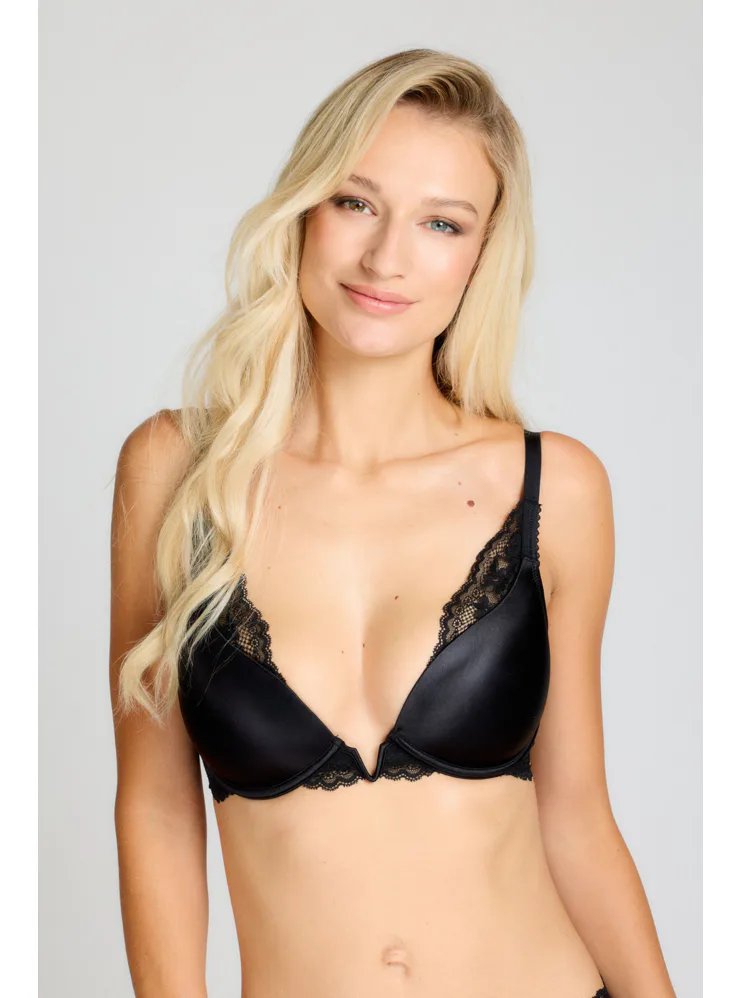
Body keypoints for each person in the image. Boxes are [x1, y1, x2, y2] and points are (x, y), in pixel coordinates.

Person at [109, 48, 676, 998]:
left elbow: (577, 814)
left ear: (482, 254)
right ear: (304, 211)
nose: (386, 259)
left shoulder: (555, 488)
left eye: (441, 222)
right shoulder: (176, 471)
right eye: (355, 202)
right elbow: (156, 810)